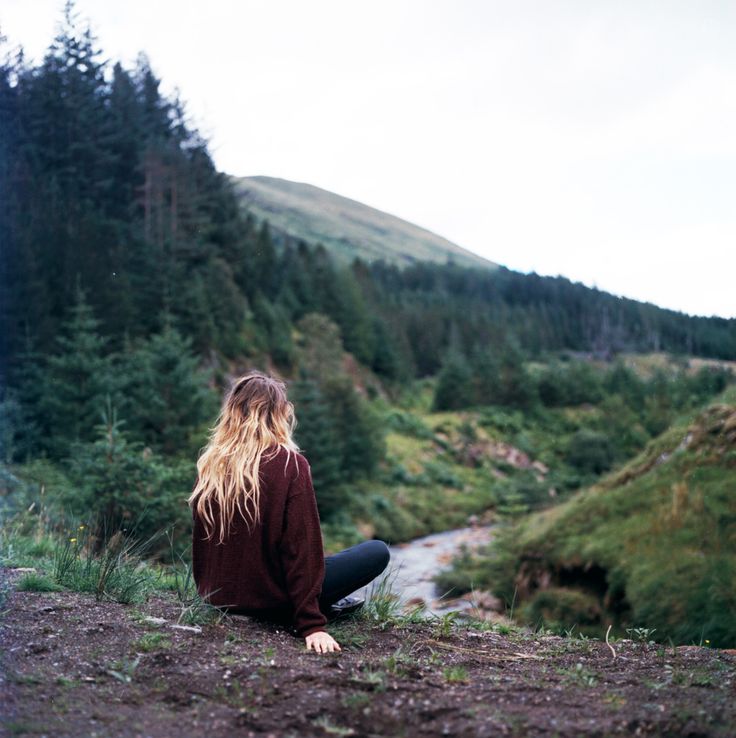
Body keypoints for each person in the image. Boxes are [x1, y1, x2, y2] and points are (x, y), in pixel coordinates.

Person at [187, 370, 391, 654]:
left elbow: (204, 549)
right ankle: (313, 606)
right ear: (279, 414)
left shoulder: (210, 467)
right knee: (376, 551)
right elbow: (300, 548)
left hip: (219, 598)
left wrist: (213, 594)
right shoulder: (289, 465)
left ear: (232, 412)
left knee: (322, 564)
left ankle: (319, 603)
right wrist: (312, 625)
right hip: (271, 601)